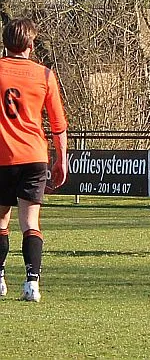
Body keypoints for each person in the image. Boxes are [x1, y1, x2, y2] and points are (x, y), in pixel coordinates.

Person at [0, 18, 68, 302]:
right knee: (31, 222)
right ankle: (32, 283)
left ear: (5, 42)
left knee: (1, 220)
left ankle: (0, 279)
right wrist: (61, 160)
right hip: (34, 156)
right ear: (30, 44)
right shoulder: (44, 75)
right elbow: (58, 125)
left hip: (3, 157)